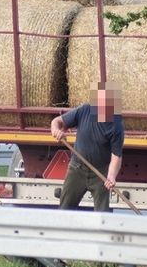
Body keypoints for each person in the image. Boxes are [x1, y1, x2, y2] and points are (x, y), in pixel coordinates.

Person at [50, 83, 125, 211]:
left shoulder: (116, 125)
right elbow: (57, 121)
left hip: (100, 173)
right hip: (77, 169)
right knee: (65, 209)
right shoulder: (85, 110)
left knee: (103, 214)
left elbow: (116, 156)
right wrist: (56, 130)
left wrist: (111, 176)